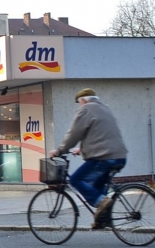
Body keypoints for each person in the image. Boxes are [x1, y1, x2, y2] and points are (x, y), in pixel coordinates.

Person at [49, 88, 128, 229]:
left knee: (75, 180)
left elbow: (74, 134)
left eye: (79, 103)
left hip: (104, 158)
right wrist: (82, 149)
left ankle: (103, 204)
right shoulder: (105, 109)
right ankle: (103, 219)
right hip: (120, 156)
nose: (80, 106)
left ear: (83, 100)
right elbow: (102, 134)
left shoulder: (86, 109)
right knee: (97, 187)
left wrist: (60, 151)